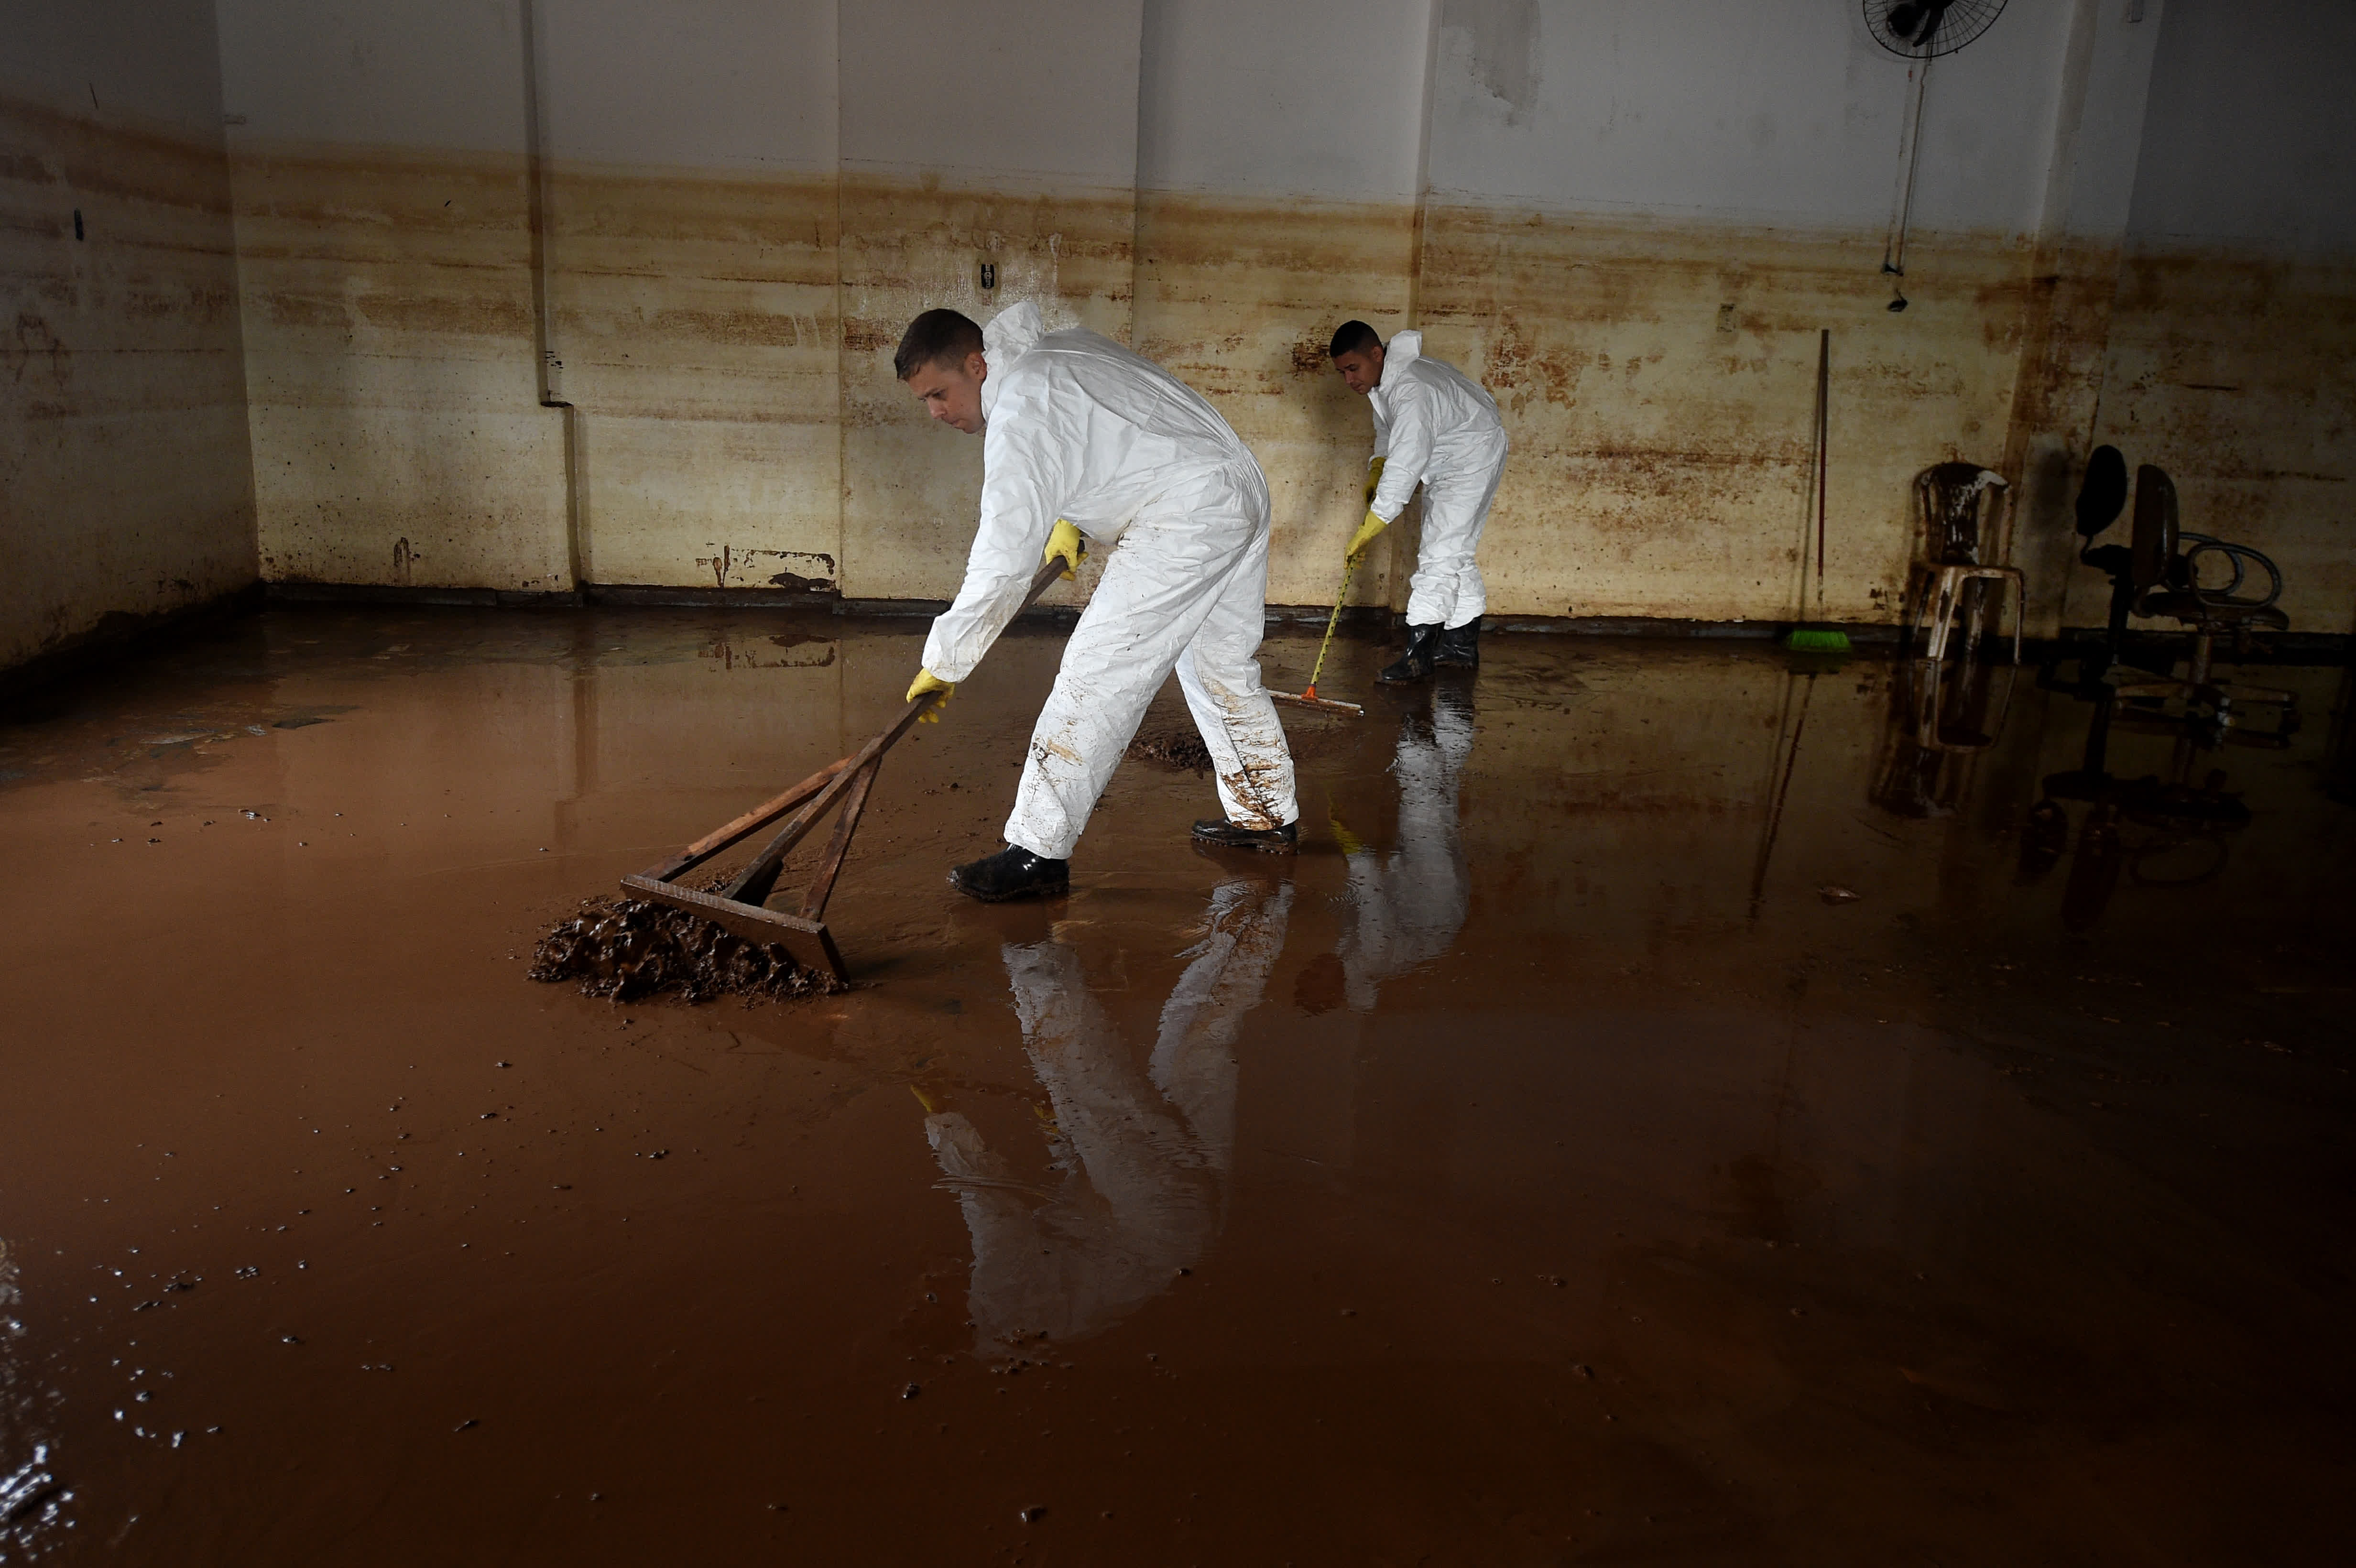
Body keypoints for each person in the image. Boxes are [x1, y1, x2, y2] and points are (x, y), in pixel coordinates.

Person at [896, 302, 1300, 902]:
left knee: (1098, 671)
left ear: (977, 366)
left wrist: (945, 660)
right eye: (925, 401)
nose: (936, 413)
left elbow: (1002, 555)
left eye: (938, 394)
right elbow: (1113, 434)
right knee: (1218, 665)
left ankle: (1036, 853)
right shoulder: (1058, 351)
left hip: (1187, 513)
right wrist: (1075, 520)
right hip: (1234, 486)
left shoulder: (1020, 409)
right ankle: (1265, 813)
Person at [1329, 319, 1509, 682]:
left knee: (1439, 553)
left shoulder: (1411, 387)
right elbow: (1389, 434)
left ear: (1376, 354)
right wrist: (1377, 470)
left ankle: (1418, 657)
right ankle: (1459, 645)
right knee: (1454, 548)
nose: (1349, 380)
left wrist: (1372, 524)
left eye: (1353, 369)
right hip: (1456, 454)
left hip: (1470, 457)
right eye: (1342, 373)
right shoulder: (1385, 384)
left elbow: (1408, 459)